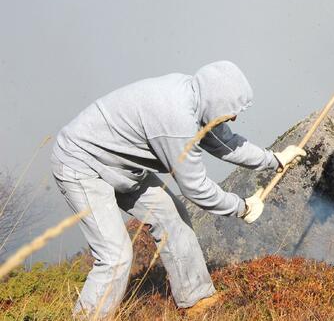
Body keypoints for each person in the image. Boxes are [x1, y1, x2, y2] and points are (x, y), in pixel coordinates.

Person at [50, 60, 305, 318]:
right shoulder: (176, 122)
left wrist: (274, 160)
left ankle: (196, 299)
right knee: (115, 255)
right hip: (82, 164)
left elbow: (224, 142)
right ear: (216, 102)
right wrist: (242, 207)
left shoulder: (196, 97)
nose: (235, 117)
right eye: (231, 111)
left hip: (122, 165)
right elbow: (197, 189)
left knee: (174, 218)